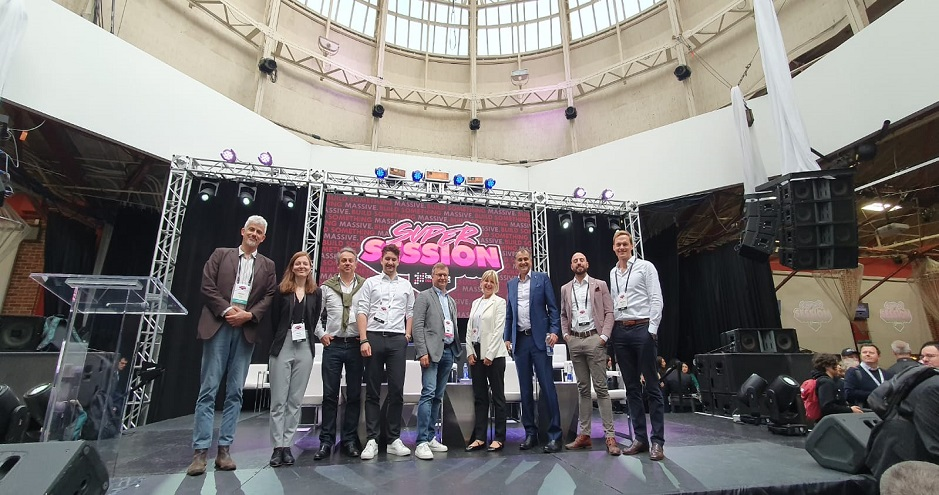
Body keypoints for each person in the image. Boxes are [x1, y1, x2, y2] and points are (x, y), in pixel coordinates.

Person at [187, 215, 276, 476]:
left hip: (246, 330)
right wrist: (228, 310)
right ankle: (200, 452)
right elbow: (207, 286)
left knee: (235, 391)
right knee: (209, 388)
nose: (255, 234)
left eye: (259, 232)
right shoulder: (220, 254)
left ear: (264, 237)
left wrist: (248, 315)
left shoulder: (267, 265)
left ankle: (224, 450)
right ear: (242, 231)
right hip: (219, 325)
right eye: (251, 229)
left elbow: (269, 295)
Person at [608, 230, 666, 461]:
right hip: (621, 331)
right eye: (618, 245)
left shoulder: (645, 267)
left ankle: (658, 442)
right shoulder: (613, 273)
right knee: (631, 387)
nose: (621, 248)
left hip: (643, 328)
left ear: (632, 246)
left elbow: (656, 299)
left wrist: (651, 331)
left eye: (625, 244)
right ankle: (640, 438)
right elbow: (614, 302)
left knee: (652, 386)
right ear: (613, 248)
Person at [356, 244, 415, 460]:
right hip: (373, 337)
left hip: (397, 340)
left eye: (394, 259)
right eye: (387, 259)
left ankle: (392, 439)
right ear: (381, 260)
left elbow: (410, 312)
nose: (390, 263)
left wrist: (407, 336)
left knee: (397, 389)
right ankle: (372, 439)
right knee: (372, 390)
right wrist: (363, 339)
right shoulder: (370, 283)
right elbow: (361, 310)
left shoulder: (406, 285)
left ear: (399, 261)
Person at [559, 252, 620, 455]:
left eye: (582, 260)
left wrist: (604, 337)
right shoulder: (565, 289)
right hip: (575, 340)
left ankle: (610, 436)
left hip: (595, 338)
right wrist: (566, 336)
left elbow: (610, 312)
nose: (578, 262)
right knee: (583, 389)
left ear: (587, 263)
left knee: (601, 389)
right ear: (571, 265)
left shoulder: (599, 284)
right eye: (575, 260)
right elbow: (563, 314)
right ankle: (584, 435)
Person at [503, 247, 563, 453]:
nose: (523, 262)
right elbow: (509, 314)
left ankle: (554, 435)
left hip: (541, 341)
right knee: (525, 390)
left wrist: (555, 331)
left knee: (547, 388)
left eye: (525, 259)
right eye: (519, 259)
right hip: (520, 342)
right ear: (515, 263)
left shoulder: (541, 279)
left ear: (531, 260)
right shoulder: (511, 284)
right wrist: (507, 338)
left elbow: (553, 309)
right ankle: (530, 433)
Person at [268, 251, 322, 467]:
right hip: (284, 343)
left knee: (295, 400)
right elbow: (273, 321)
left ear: (310, 268)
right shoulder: (280, 291)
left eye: (305, 264)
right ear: (292, 267)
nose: (302, 267)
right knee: (279, 400)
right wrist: (284, 336)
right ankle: (276, 447)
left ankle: (287, 445)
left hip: (305, 346)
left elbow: (315, 317)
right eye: (298, 263)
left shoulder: (315, 292)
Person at [313, 247, 366, 460]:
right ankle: (326, 442)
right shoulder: (326, 288)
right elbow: (315, 314)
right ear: (337, 264)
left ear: (355, 264)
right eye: (343, 260)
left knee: (353, 395)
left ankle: (349, 440)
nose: (347, 263)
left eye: (350, 260)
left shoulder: (365, 286)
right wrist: (321, 334)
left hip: (355, 345)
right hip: (333, 345)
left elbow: (368, 312)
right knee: (330, 395)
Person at [412, 263, 462, 460]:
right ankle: (421, 441)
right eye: (439, 274)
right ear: (432, 276)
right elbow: (417, 326)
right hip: (431, 353)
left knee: (438, 397)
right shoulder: (424, 297)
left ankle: (431, 437)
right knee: (428, 393)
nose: (443, 278)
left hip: (448, 351)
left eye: (445, 275)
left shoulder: (451, 300)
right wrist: (421, 351)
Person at [464, 270, 508, 453]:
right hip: (477, 356)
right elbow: (469, 329)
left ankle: (499, 437)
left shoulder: (500, 302)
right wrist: (469, 352)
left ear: (496, 285)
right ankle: (480, 437)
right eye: (486, 281)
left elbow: (498, 330)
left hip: (495, 356)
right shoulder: (475, 302)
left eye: (492, 281)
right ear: (480, 283)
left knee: (498, 398)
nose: (488, 284)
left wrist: (489, 354)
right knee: (480, 398)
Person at [810, 353, 862, 419]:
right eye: (836, 364)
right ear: (827, 366)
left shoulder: (827, 381)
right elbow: (827, 406)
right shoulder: (826, 382)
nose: (839, 367)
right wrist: (850, 410)